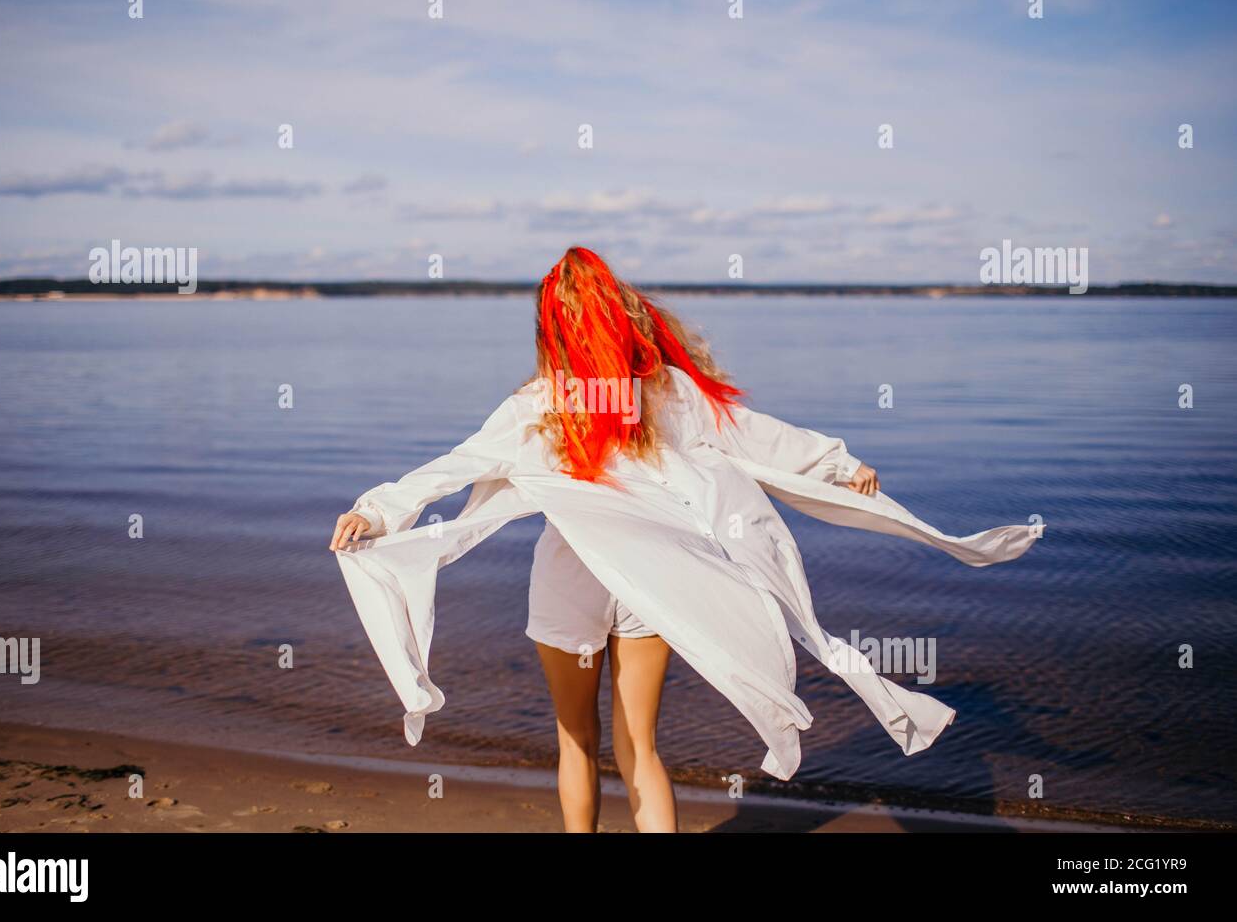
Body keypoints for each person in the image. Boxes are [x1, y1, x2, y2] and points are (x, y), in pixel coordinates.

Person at [330, 246, 1040, 833]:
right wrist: (839, 464)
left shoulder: (539, 405)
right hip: (653, 583)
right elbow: (761, 437)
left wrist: (378, 512)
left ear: (551, 331)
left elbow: (451, 468)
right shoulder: (665, 390)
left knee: (576, 739)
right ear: (621, 315)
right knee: (639, 744)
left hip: (573, 584)